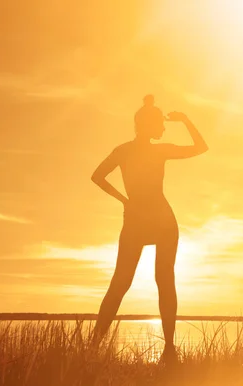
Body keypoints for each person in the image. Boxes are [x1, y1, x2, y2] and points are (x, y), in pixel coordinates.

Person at [90, 94, 208, 363]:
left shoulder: (124, 150)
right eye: (161, 124)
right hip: (154, 219)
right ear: (149, 125)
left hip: (148, 219)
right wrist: (186, 120)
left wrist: (124, 200)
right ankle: (167, 349)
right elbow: (200, 146)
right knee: (156, 281)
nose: (164, 129)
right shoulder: (156, 150)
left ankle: (96, 347)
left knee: (125, 283)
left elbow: (97, 177)